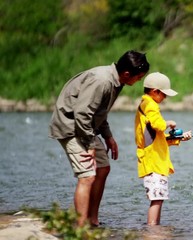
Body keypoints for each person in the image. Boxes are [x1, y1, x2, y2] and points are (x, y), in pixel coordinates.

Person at [49, 50, 150, 227]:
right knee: (87, 175)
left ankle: (92, 220)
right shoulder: (101, 80)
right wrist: (89, 145)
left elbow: (99, 113)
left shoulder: (117, 81)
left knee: (103, 168)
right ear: (127, 73)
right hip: (71, 127)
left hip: (85, 127)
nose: (139, 80)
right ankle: (80, 228)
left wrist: (108, 136)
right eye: (139, 77)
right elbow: (82, 113)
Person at [134, 72, 191, 225]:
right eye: (164, 94)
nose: (165, 98)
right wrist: (169, 122)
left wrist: (178, 138)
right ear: (155, 91)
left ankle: (154, 228)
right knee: (157, 199)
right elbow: (158, 125)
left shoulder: (146, 104)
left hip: (155, 160)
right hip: (153, 161)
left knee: (158, 198)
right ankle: (152, 230)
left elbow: (156, 138)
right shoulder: (149, 105)